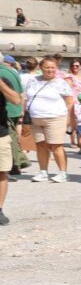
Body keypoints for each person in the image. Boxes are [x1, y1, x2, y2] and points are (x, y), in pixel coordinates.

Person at [23, 56, 74, 183]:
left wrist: (68, 118)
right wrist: (22, 113)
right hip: (35, 118)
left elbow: (69, 101)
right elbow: (25, 97)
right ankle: (43, 171)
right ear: (40, 68)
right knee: (40, 145)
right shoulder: (32, 80)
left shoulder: (60, 82)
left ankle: (63, 172)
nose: (50, 70)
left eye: (53, 67)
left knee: (56, 146)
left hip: (55, 118)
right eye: (47, 67)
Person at [0, 54, 25, 176]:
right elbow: (21, 93)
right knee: (13, 137)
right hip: (14, 110)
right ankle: (16, 164)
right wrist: (21, 109)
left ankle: (15, 165)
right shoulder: (14, 72)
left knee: (10, 138)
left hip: (7, 111)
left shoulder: (2, 74)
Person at [0, 70, 17, 224]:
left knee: (1, 173)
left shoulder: (3, 80)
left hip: (0, 134)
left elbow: (16, 100)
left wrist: (0, 84)